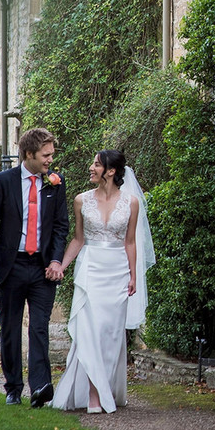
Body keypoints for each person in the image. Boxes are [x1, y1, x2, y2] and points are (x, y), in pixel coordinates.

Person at [49, 149, 155, 413]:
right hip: (91, 269)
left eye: (96, 164)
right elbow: (78, 239)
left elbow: (130, 242)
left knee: (109, 334)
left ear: (111, 171)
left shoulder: (131, 202)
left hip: (117, 271)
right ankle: (95, 396)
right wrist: (61, 265)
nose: (91, 168)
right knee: (90, 332)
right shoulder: (81, 201)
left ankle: (106, 388)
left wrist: (133, 275)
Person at [0, 127, 69, 407]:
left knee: (40, 328)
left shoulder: (56, 183)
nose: (50, 160)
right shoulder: (3, 181)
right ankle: (13, 388)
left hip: (42, 268)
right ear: (29, 154)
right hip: (11, 266)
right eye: (45, 155)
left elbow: (60, 226)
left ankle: (41, 387)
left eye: (52, 155)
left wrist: (56, 259)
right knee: (10, 328)